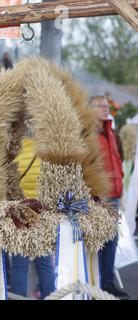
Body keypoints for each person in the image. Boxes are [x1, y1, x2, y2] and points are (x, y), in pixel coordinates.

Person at [90, 95, 129, 299]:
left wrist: (120, 187)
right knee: (99, 242)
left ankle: (107, 283)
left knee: (111, 241)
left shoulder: (111, 133)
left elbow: (117, 161)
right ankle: (95, 284)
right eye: (100, 106)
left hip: (114, 196)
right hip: (98, 197)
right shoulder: (87, 135)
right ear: (91, 109)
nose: (105, 109)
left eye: (106, 106)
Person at [10, 137, 55, 299]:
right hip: (42, 210)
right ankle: (50, 296)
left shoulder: (14, 153)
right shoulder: (46, 152)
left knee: (19, 265)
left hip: (20, 212)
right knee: (44, 264)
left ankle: (19, 297)